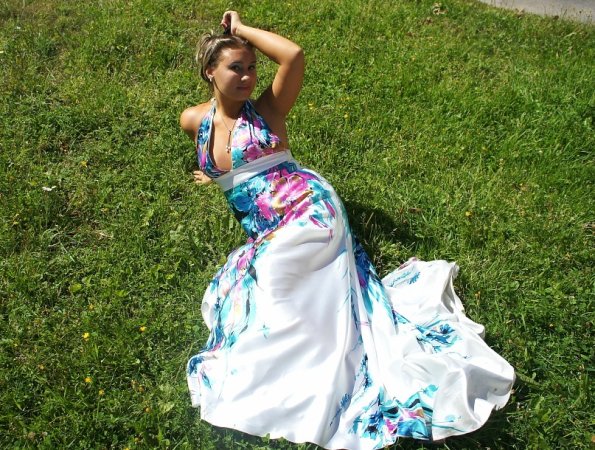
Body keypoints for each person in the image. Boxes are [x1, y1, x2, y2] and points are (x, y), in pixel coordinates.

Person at [181, 11, 514, 450]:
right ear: (210, 71)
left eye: (251, 67)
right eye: (235, 67)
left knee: (274, 282)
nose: (247, 76)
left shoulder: (266, 110)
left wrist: (241, 31)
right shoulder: (194, 120)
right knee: (260, 291)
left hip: (309, 211)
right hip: (267, 227)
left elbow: (293, 55)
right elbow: (226, 166)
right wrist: (215, 175)